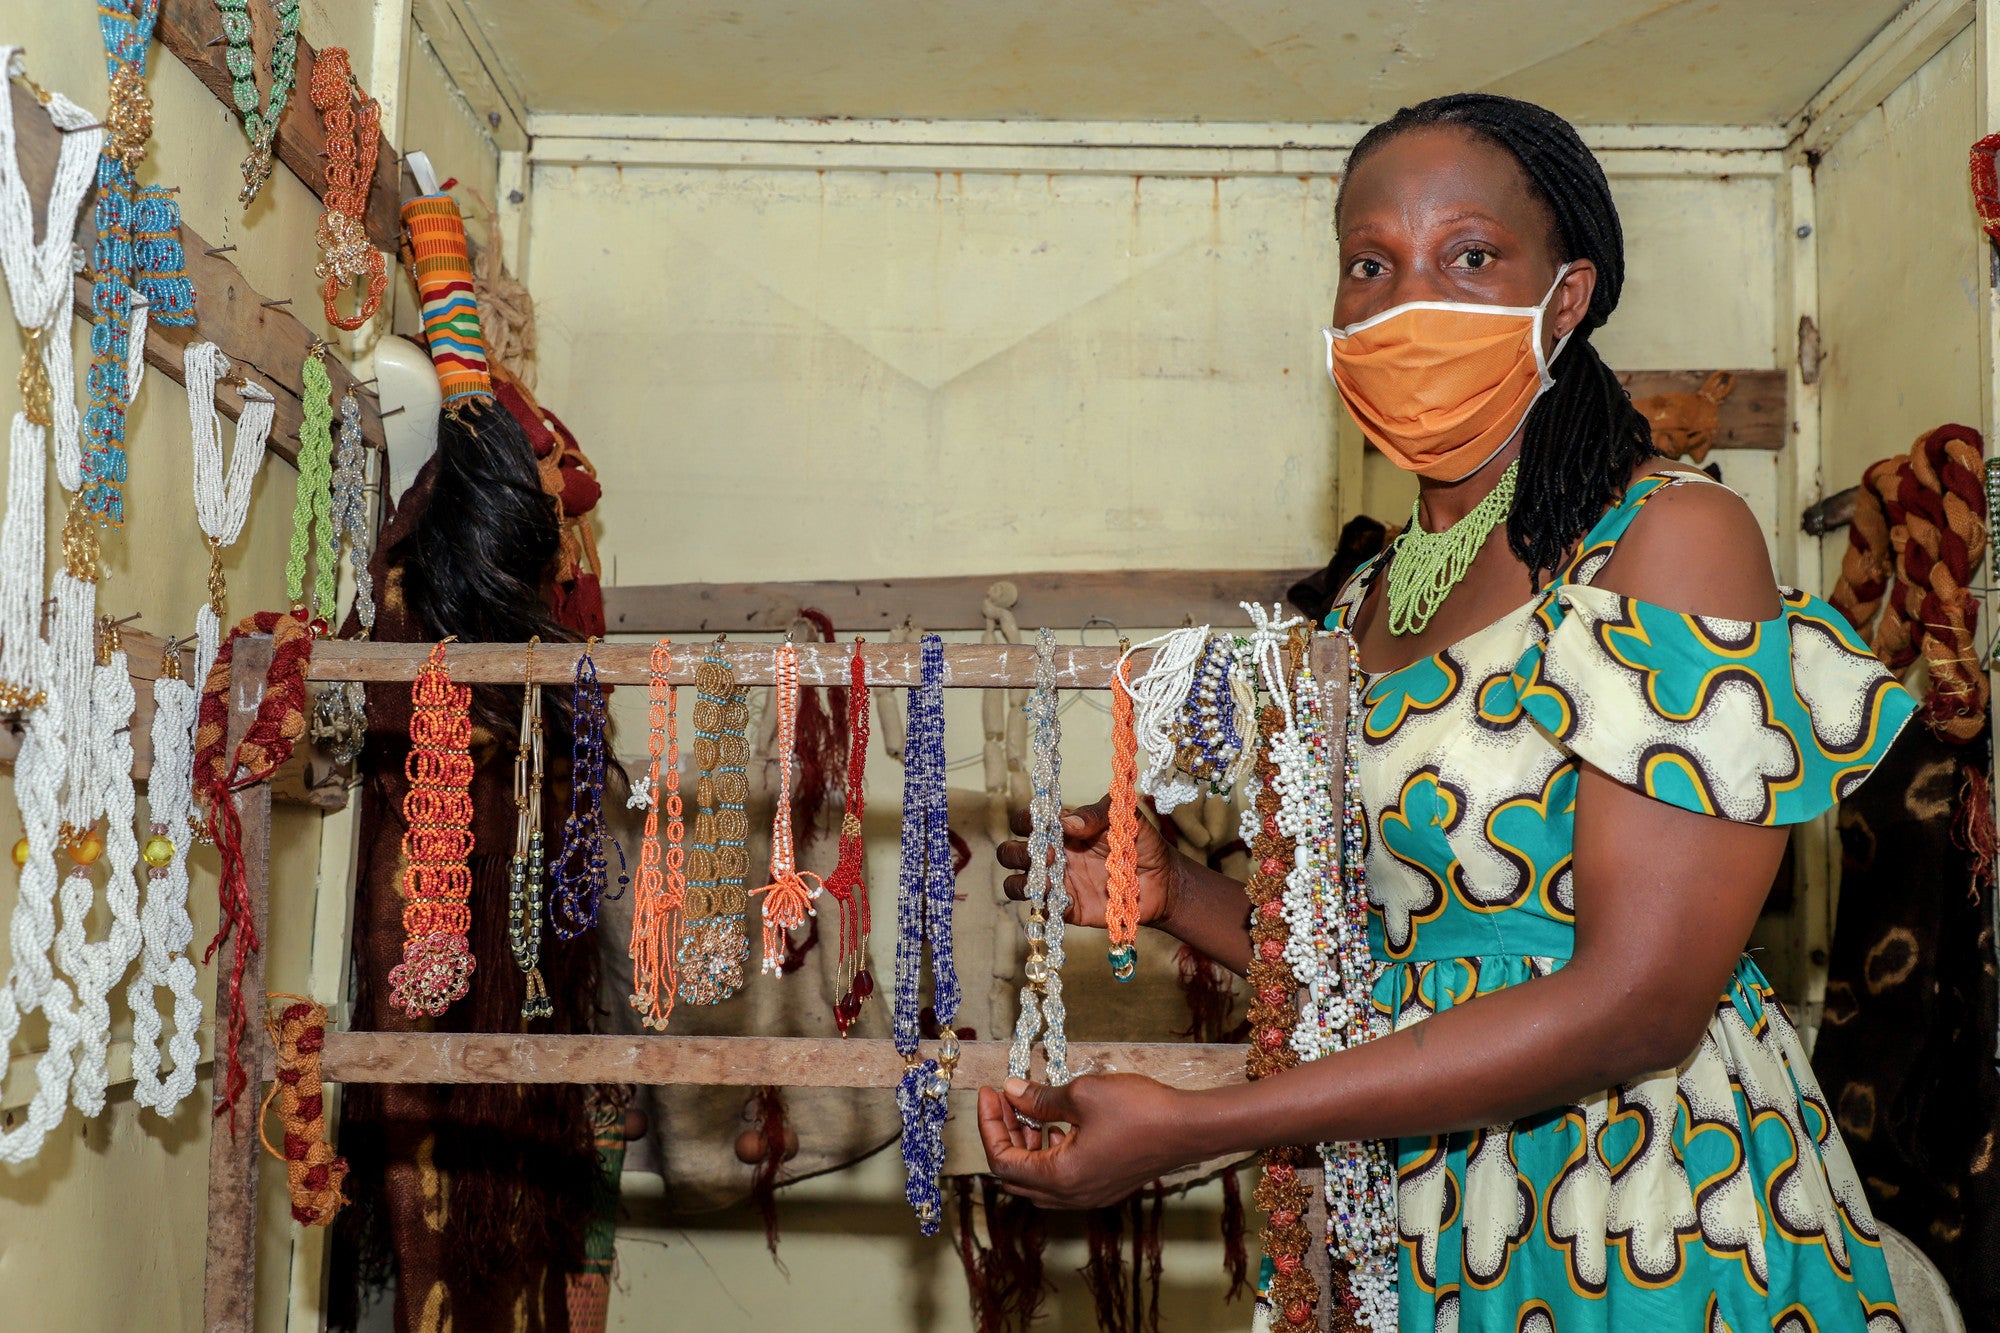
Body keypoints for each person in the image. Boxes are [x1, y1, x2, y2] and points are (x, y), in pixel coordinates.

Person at [980, 93, 1913, 1331]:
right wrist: (1177, 894)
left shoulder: (1670, 539)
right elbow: (1401, 969)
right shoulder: (1359, 602)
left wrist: (1199, 1126)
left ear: (1565, 299)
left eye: (1468, 256)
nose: (1406, 302)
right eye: (1369, 265)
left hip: (1638, 1203)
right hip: (1414, 1206)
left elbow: (1638, 1005)